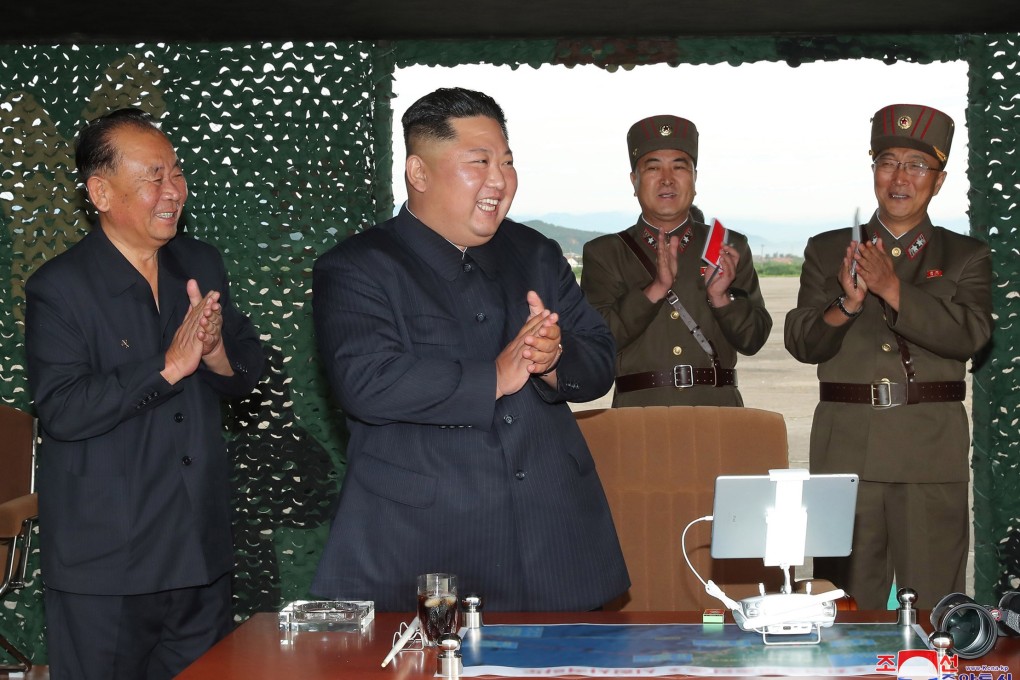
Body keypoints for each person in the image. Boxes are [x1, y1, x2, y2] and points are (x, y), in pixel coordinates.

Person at [311, 87, 629, 612]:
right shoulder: (358, 267)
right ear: (418, 173)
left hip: (555, 538)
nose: (499, 180)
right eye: (478, 162)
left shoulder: (536, 253)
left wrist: (553, 360)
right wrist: (495, 377)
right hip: (426, 542)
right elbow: (366, 382)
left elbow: (598, 360)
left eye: (506, 161)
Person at [25, 108, 265, 678]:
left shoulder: (200, 262)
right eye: (153, 177)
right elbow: (62, 409)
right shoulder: (59, 287)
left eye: (176, 174)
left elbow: (247, 371)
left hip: (199, 555)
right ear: (101, 192)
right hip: (106, 567)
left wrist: (212, 355)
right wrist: (168, 366)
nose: (172, 191)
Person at [784, 104, 993, 609]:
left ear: (938, 181)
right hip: (845, 447)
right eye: (887, 161)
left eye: (917, 166)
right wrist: (848, 303)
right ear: (873, 170)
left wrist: (893, 289)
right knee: (844, 606)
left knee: (935, 607)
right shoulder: (828, 248)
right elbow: (803, 341)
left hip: (928, 451)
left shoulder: (964, 256)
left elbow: (971, 335)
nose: (900, 178)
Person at [581, 115, 772, 407]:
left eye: (679, 167)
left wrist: (722, 299)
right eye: (653, 167)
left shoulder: (725, 245)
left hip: (717, 414)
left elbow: (753, 339)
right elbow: (596, 340)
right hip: (639, 417)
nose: (667, 179)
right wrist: (654, 290)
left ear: (695, 179)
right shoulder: (606, 252)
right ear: (634, 180)